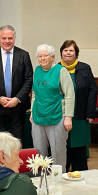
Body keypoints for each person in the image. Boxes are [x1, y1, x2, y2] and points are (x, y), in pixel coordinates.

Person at [30, 44, 75, 173]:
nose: (43, 58)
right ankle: (42, 179)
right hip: (38, 116)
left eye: (46, 55)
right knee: (39, 152)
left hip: (56, 116)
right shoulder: (37, 70)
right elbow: (34, 93)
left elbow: (70, 94)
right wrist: (32, 111)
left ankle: (58, 179)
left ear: (53, 57)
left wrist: (68, 117)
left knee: (57, 151)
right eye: (40, 56)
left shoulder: (61, 71)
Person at [0, 25, 33, 143]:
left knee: (17, 141)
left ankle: (16, 161)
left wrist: (17, 99)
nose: (7, 41)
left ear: (14, 38)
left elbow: (29, 79)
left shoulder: (23, 55)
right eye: (4, 38)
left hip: (18, 107)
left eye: (10, 38)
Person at [59, 40, 97, 172]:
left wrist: (90, 112)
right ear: (61, 53)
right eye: (65, 50)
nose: (68, 53)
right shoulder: (56, 69)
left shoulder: (85, 68)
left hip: (81, 115)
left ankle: (80, 175)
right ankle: (63, 174)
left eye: (71, 50)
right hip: (61, 115)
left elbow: (93, 89)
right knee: (63, 146)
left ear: (76, 54)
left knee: (79, 147)